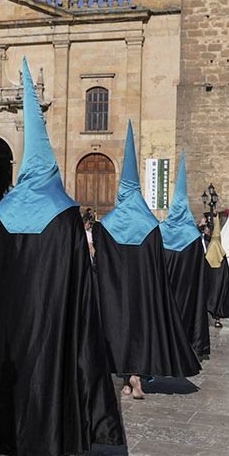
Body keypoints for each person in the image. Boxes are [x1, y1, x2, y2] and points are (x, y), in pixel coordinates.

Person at [0, 60, 126, 456]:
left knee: (13, 366)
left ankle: (16, 448)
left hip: (8, 325)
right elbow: (80, 285)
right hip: (50, 321)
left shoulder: (3, 211)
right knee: (49, 368)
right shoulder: (64, 215)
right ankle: (49, 441)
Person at [90, 125, 198, 399]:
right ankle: (136, 376)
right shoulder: (151, 224)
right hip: (143, 293)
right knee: (140, 327)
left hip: (114, 295)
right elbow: (158, 266)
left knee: (118, 326)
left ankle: (127, 380)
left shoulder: (107, 224)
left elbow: (99, 264)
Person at [159, 152, 212, 359]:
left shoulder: (161, 232)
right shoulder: (192, 236)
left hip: (165, 288)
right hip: (187, 290)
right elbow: (200, 271)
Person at [202, 220, 229, 331]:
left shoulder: (212, 245)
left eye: (207, 228)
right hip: (218, 279)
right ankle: (216, 319)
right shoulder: (218, 246)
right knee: (218, 296)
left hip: (212, 278)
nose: (205, 230)